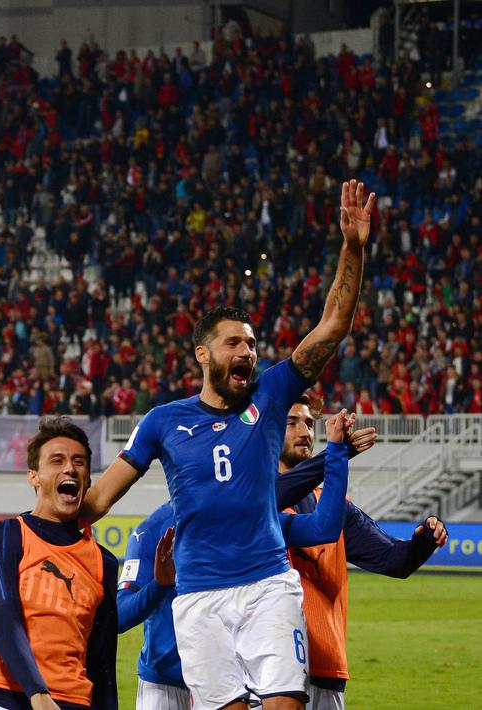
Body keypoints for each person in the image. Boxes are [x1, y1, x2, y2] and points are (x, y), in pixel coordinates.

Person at [81, 181, 376, 710]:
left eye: (253, 343)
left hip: (267, 582)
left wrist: (352, 248)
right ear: (203, 353)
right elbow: (100, 499)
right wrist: (40, 527)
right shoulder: (163, 422)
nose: (248, 351)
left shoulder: (271, 393)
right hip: (198, 595)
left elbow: (333, 326)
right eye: (234, 342)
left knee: (287, 702)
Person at [119, 403, 372, 710]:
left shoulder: (248, 520)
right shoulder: (151, 533)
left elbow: (323, 528)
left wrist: (336, 453)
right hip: (165, 684)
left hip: (235, 680)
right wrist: (159, 586)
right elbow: (118, 617)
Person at [280, 397, 449, 710]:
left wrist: (424, 540)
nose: (304, 430)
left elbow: (395, 560)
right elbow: (276, 493)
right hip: (270, 668)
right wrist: (336, 455)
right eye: (291, 422)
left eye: (309, 423)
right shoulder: (252, 498)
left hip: (325, 664)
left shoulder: (333, 507)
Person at [0, 415, 118, 710]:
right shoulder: (4, 537)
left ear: (87, 478)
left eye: (79, 461)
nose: (70, 468)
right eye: (57, 461)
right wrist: (37, 694)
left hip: (74, 700)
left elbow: (101, 659)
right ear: (33, 476)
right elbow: (0, 611)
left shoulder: (104, 562)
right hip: (5, 697)